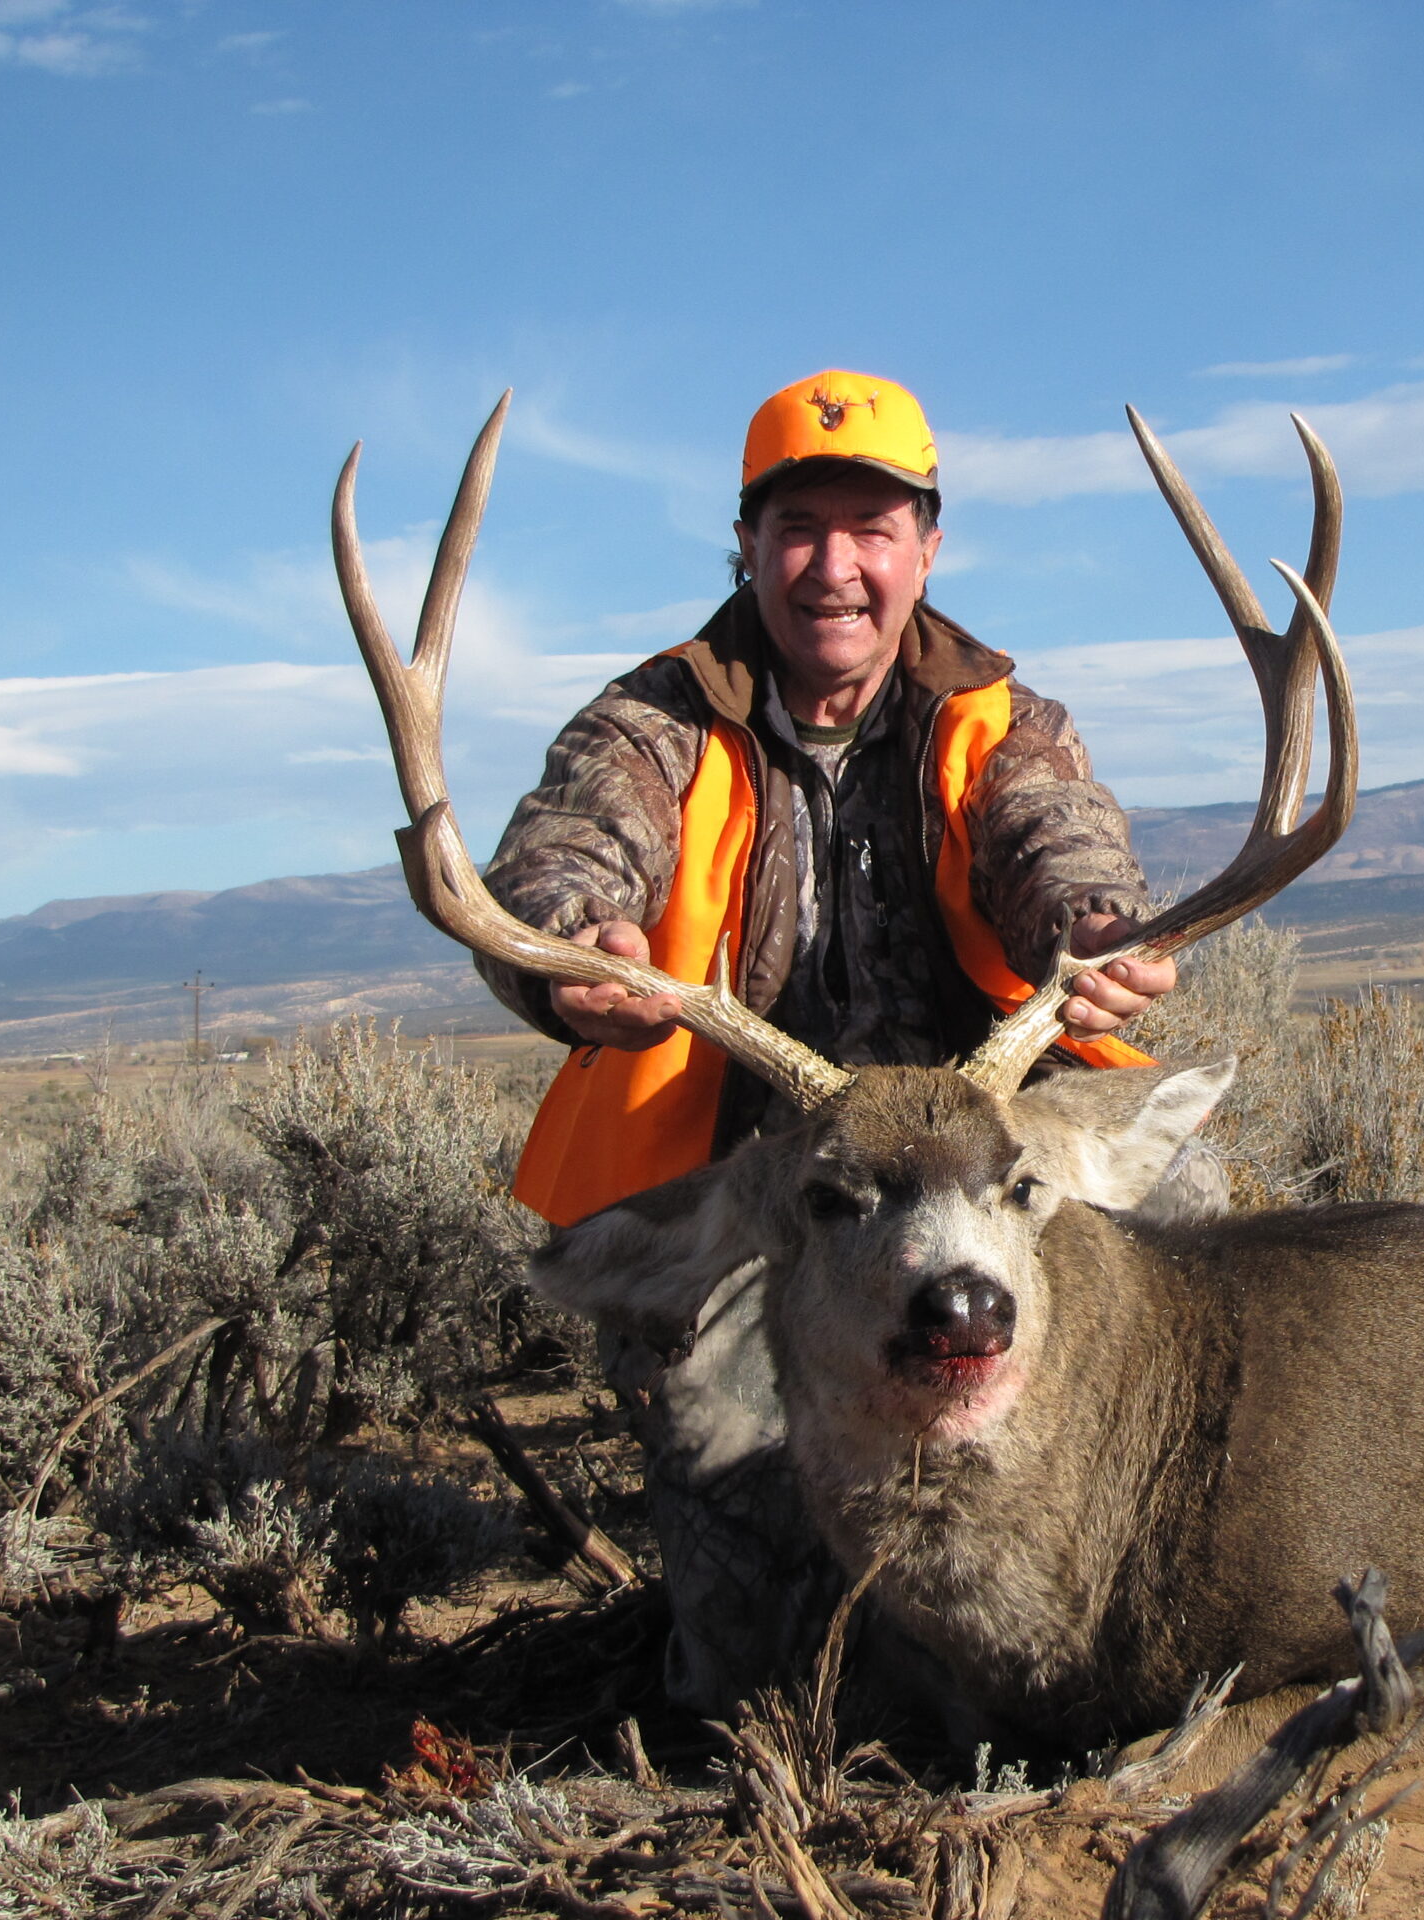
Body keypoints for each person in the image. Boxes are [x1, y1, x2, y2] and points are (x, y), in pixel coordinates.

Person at [476, 369, 1185, 1711]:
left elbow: (1054, 836)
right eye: (800, 526)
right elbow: (569, 845)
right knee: (758, 1674)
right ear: (745, 546)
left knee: (1184, 1280)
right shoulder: (650, 725)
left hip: (982, 1184)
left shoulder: (1002, 722)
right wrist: (580, 945)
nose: (836, 568)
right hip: (766, 1211)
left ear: (929, 544)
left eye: (873, 528)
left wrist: (1092, 925)